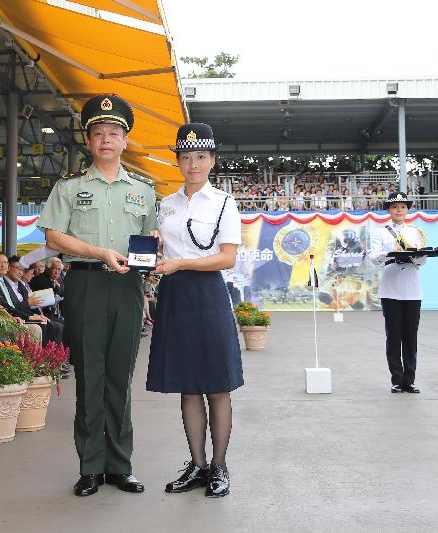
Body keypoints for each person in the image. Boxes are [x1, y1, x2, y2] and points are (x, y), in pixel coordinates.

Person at [36, 94, 156, 497]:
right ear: (88, 141)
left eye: (114, 133)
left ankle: (120, 466)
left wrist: (154, 242)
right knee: (89, 376)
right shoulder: (69, 188)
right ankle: (90, 466)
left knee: (120, 377)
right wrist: (98, 251)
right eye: (98, 133)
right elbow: (53, 235)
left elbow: (155, 235)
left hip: (128, 286)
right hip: (85, 282)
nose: (106, 139)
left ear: (125, 141)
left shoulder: (144, 189)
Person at [146, 122, 243, 498]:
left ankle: (219, 465)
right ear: (178, 162)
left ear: (212, 160)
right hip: (174, 296)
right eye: (185, 157)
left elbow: (227, 258)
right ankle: (197, 465)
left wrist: (180, 264)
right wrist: (153, 245)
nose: (193, 164)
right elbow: (160, 252)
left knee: (217, 384)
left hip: (208, 295)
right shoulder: (165, 205)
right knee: (189, 385)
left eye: (200, 156)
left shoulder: (224, 203)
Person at [368, 191, 426, 394]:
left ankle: (409, 380)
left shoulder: (416, 232)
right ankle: (396, 379)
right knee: (393, 336)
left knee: (411, 336)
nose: (399, 210)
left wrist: (415, 256)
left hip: (412, 289)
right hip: (390, 288)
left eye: (402, 207)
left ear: (407, 210)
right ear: (388, 210)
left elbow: (422, 260)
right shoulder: (380, 232)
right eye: (394, 207)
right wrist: (391, 253)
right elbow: (373, 257)